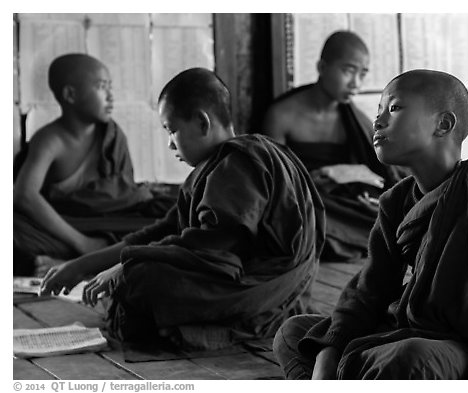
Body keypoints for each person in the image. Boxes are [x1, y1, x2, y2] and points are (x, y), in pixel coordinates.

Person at [273, 69, 468, 379]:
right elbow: (370, 290)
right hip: (423, 332)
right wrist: (329, 353)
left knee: (410, 358)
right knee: (294, 333)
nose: (378, 121)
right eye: (379, 110)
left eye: (394, 108)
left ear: (443, 124)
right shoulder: (396, 201)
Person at [40, 67, 326, 350]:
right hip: (239, 281)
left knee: (140, 281)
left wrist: (125, 268)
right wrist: (82, 265)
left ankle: (192, 327)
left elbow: (213, 254)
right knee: (133, 280)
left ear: (202, 123)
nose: (169, 143)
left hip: (259, 289)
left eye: (172, 130)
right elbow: (162, 232)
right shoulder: (213, 168)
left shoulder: (239, 163)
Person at [14, 53, 173, 277]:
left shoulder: (113, 135)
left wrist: (139, 195)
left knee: (173, 217)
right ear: (70, 94)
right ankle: (92, 259)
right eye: (101, 86)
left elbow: (124, 195)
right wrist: (83, 243)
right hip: (63, 227)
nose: (110, 96)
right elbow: (24, 196)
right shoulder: (50, 139)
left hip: (112, 225)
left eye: (110, 86)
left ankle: (72, 262)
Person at [262, 31, 405, 263]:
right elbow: (271, 185)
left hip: (343, 203)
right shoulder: (282, 115)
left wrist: (354, 175)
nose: (356, 83)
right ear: (322, 67)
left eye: (363, 74)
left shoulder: (354, 118)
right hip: (304, 201)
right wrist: (322, 176)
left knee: (387, 213)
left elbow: (387, 172)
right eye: (348, 71)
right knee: (292, 219)